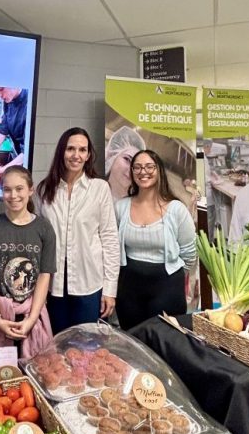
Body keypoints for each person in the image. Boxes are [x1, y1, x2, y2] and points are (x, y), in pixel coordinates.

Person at [35, 127, 119, 334]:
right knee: (57, 345)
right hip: (53, 285)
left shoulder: (100, 188)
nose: (76, 155)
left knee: (87, 347)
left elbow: (109, 239)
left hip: (89, 283)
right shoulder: (44, 190)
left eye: (82, 150)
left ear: (89, 155)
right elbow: (37, 240)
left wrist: (110, 289)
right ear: (61, 152)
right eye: (71, 149)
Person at [114, 150, 197, 330]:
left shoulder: (176, 210)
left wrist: (171, 280)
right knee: (133, 343)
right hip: (129, 290)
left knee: (164, 343)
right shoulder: (120, 207)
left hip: (166, 290)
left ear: (159, 170)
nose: (143, 171)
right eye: (137, 167)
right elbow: (112, 248)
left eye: (149, 166)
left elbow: (190, 254)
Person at [0, 166, 56, 358]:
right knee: (1, 375)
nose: (13, 195)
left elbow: (44, 276)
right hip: (0, 314)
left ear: (31, 190)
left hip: (32, 313)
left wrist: (31, 319)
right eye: (7, 189)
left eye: (19, 188)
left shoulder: (44, 229)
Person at [105, 125, 144, 201]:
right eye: (127, 159)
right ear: (112, 155)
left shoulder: (137, 207)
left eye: (137, 166)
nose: (131, 169)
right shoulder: (92, 193)